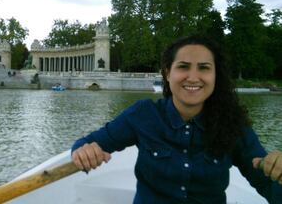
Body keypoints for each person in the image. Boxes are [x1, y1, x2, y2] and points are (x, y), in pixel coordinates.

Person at [71, 35, 282, 203]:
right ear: (167, 73)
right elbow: (86, 144)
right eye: (183, 66)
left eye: (204, 68)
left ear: (216, 76)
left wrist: (278, 171)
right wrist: (83, 152)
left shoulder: (233, 123)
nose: (192, 77)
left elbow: (268, 186)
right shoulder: (143, 114)